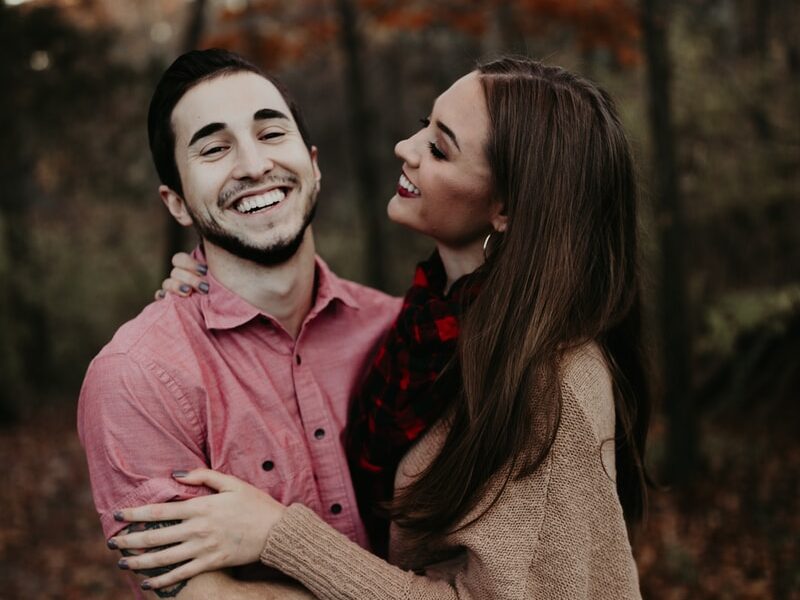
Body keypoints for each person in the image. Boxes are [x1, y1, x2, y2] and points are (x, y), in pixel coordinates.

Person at [109, 56, 651, 599]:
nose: (405, 148)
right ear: (175, 202)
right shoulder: (421, 332)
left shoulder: (551, 379)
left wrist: (277, 533)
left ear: (506, 207)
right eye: (423, 125)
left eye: (439, 148)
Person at [77, 49, 400, 598]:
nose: (253, 165)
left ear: (314, 164)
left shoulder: (400, 332)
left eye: (271, 134)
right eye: (214, 148)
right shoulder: (137, 376)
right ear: (177, 203)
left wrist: (275, 535)